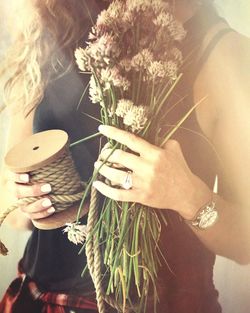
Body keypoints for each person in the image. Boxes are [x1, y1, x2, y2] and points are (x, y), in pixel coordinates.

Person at [0, 0, 249, 312]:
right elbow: (11, 209)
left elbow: (245, 245)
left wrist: (190, 198)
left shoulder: (226, 54)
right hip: (41, 301)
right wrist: (25, 200)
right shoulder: (52, 22)